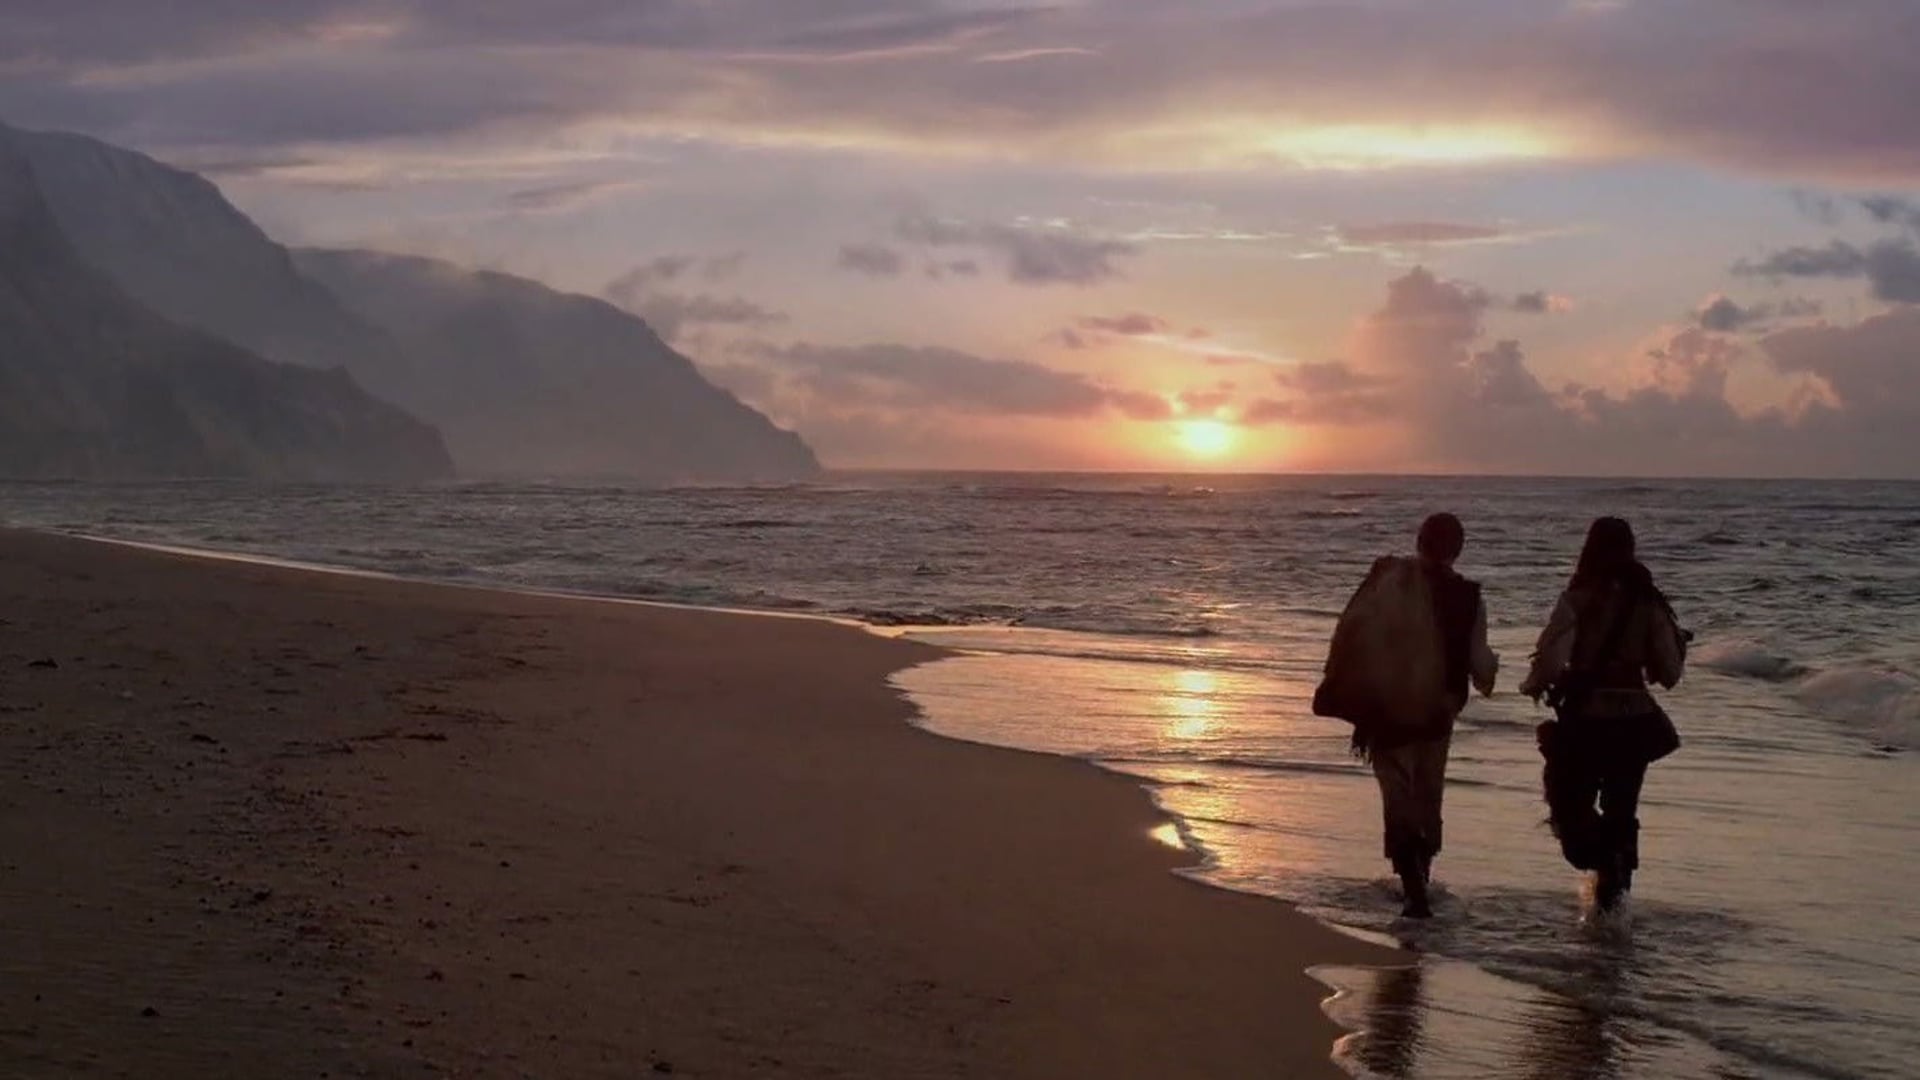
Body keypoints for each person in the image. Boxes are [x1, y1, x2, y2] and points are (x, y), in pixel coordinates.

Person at [1322, 513, 1497, 918]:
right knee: (1428, 796)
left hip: (1384, 710)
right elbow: (1480, 665)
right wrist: (1492, 677)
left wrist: (1339, 681)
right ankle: (1421, 880)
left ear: (1419, 540)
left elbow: (1352, 628)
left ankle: (1413, 889)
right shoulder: (1468, 596)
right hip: (1438, 713)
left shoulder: (1388, 579)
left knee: (1397, 794)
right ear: (1458, 549)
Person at [1520, 517, 1687, 912]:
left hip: (1586, 721)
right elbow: (1670, 673)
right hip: (1635, 721)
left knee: (1569, 808)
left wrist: (1534, 685)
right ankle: (1613, 907)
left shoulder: (1578, 597)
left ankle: (1603, 868)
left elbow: (1550, 657)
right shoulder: (1649, 601)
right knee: (1622, 810)